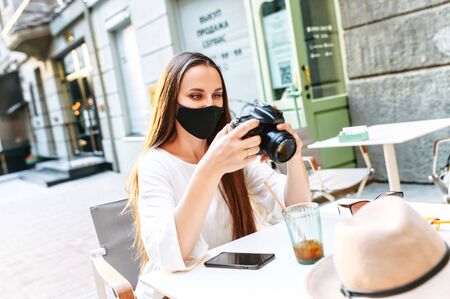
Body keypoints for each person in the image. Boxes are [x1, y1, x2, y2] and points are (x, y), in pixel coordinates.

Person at [126, 52, 311, 298]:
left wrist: (294, 155)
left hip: (232, 283)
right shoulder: (154, 163)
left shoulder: (231, 149)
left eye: (216, 95)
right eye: (195, 96)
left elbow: (296, 208)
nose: (209, 105)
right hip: (178, 291)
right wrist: (211, 167)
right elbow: (171, 254)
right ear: (171, 101)